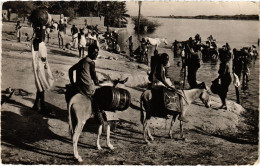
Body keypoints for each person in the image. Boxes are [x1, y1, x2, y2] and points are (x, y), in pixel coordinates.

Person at [31, 10, 54, 115]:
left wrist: (41, 26)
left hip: (38, 64)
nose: (43, 35)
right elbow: (41, 56)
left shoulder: (36, 41)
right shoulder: (38, 42)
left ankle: (36, 104)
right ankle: (42, 106)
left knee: (40, 86)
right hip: (39, 65)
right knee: (42, 86)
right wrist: (45, 65)